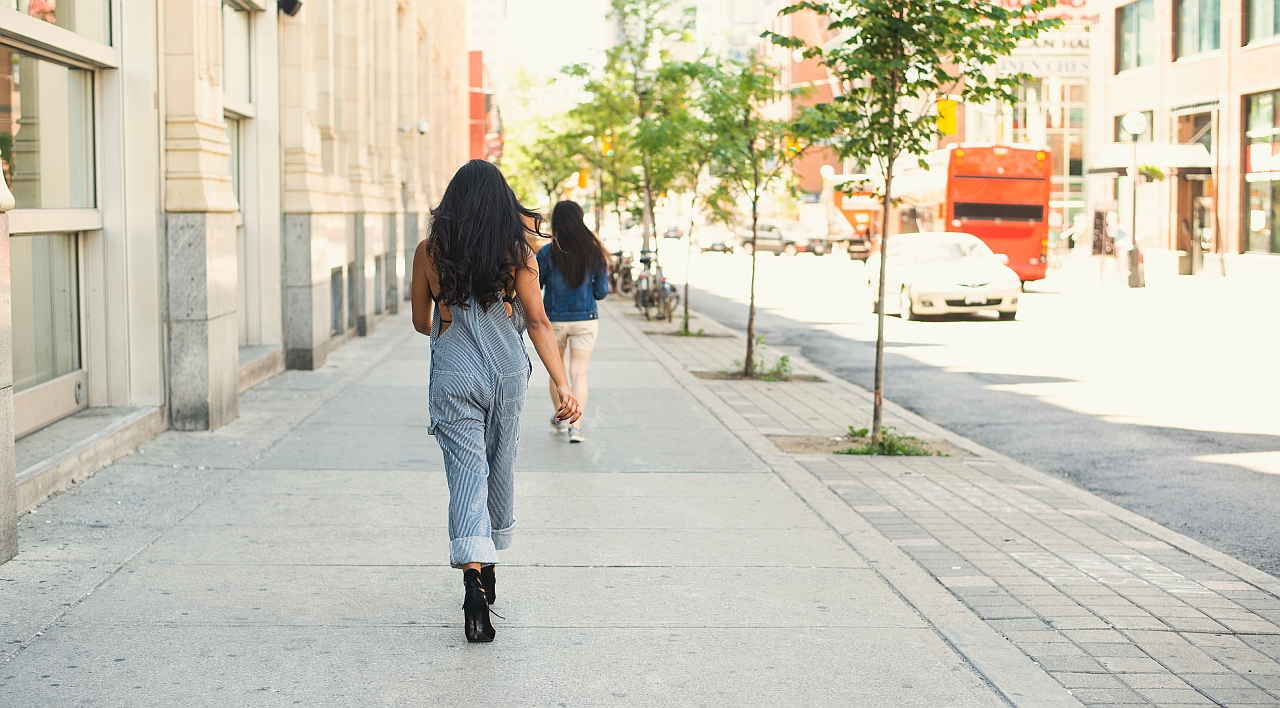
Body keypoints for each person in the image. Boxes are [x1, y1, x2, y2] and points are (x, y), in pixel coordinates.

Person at [411, 160, 581, 643]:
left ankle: (472, 577)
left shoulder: (429, 251)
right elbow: (539, 322)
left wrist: (451, 314)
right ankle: (488, 560)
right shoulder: (517, 254)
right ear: (501, 203)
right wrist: (563, 384)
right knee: (498, 465)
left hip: (454, 374)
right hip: (505, 376)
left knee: (467, 474)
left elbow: (422, 322)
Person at [537, 201, 610, 443]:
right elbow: (601, 292)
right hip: (585, 320)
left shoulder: (547, 252)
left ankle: (561, 418)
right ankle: (575, 427)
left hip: (553, 321)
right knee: (579, 374)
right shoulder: (594, 251)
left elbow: (535, 287)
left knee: (557, 374)